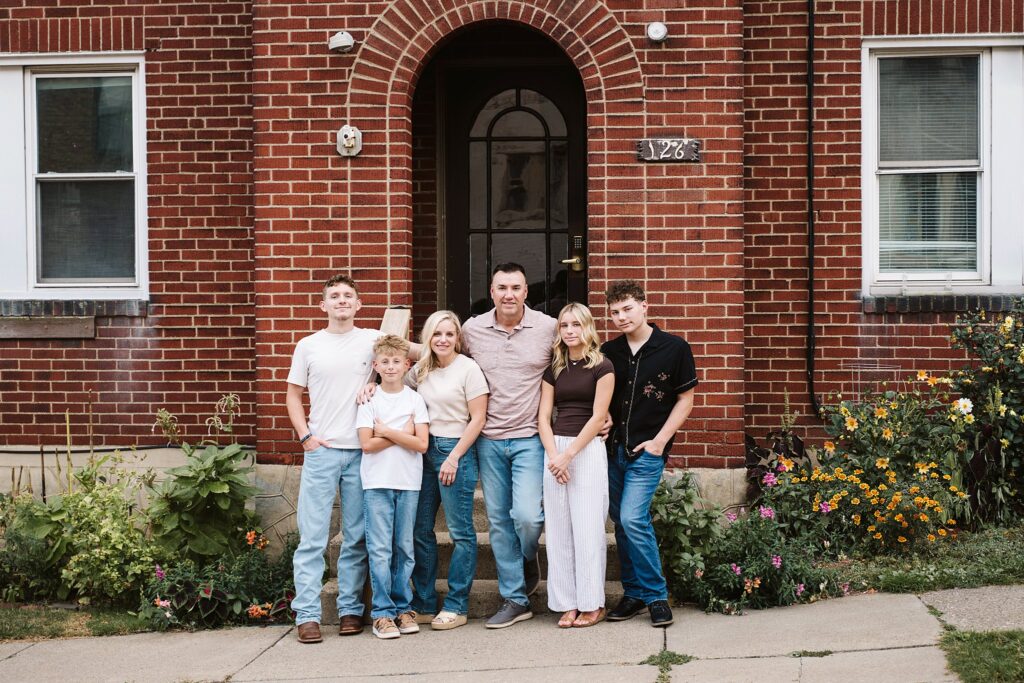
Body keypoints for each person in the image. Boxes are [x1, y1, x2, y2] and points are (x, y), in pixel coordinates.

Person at [461, 262, 557, 628]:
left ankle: (527, 556)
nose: (508, 294)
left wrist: (602, 411)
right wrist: (380, 378)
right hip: (488, 439)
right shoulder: (472, 330)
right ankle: (515, 598)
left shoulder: (548, 328)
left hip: (531, 437)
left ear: (526, 291)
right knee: (499, 521)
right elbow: (443, 358)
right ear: (491, 291)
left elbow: (574, 366)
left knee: (528, 517)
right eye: (502, 288)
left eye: (515, 287)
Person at [285, 274, 379, 644]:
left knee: (355, 537)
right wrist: (305, 436)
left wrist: (380, 382)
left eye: (348, 296)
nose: (342, 300)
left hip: (360, 453)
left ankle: (350, 610)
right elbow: (293, 396)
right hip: (321, 452)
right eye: (334, 296)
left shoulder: (372, 340)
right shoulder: (309, 346)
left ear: (358, 305)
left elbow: (414, 358)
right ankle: (306, 615)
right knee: (312, 537)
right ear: (323, 305)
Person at [601, 280, 698, 628]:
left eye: (627, 309)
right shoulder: (609, 352)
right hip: (613, 451)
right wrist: (604, 417)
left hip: (647, 452)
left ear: (645, 306)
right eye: (614, 312)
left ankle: (657, 596)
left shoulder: (674, 348)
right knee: (622, 525)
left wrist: (660, 441)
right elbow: (602, 397)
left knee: (632, 519)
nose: (621, 317)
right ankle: (634, 593)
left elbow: (685, 400)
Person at [407, 311, 489, 630]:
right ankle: (425, 602)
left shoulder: (468, 369)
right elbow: (396, 387)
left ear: (458, 338)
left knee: (461, 533)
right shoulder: (421, 369)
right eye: (437, 333)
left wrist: (454, 457)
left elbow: (478, 418)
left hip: (456, 451)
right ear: (428, 337)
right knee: (420, 528)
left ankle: (457, 605)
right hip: (424, 451)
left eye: (449, 334)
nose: (443, 339)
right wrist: (371, 389)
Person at [537, 303, 615, 628]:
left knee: (587, 527)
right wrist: (555, 455)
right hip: (555, 450)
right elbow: (543, 416)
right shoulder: (554, 368)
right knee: (558, 530)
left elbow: (599, 416)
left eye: (576, 325)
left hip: (587, 450)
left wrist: (568, 456)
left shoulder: (603, 366)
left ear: (587, 328)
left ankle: (592, 603)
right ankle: (566, 602)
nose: (569, 331)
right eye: (564, 325)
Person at [356, 334, 430, 640]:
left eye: (396, 361)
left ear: (406, 364)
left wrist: (384, 432)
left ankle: (402, 608)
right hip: (376, 482)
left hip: (408, 482)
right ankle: (382, 614)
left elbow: (422, 443)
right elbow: (367, 444)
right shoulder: (369, 399)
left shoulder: (415, 400)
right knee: (380, 549)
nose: (390, 366)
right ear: (375, 365)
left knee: (404, 548)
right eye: (384, 362)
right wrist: (399, 432)